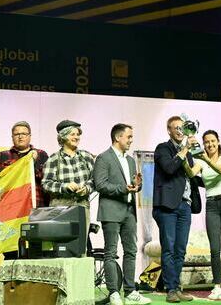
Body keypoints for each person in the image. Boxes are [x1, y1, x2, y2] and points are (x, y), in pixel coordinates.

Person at [94, 123, 151, 305]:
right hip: (111, 211)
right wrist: (123, 188)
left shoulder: (131, 160)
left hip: (129, 212)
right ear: (118, 137)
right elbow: (100, 184)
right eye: (129, 137)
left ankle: (130, 291)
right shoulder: (104, 158)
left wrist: (137, 185)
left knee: (131, 251)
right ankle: (113, 293)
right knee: (110, 253)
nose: (131, 140)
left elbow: (133, 186)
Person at [183, 130, 221, 300]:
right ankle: (216, 286)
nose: (210, 144)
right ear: (203, 144)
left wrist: (206, 159)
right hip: (212, 204)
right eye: (206, 142)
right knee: (214, 248)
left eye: (213, 141)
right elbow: (191, 173)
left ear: (218, 141)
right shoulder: (200, 161)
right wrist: (184, 155)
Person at [153, 116, 202, 303]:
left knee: (180, 249)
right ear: (169, 130)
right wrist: (186, 149)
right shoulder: (163, 148)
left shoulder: (187, 152)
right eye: (177, 128)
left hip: (185, 205)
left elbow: (193, 175)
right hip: (167, 206)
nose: (181, 131)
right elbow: (169, 168)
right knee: (169, 248)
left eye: (182, 128)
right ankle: (170, 289)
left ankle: (177, 286)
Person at [0, 121, 50, 260]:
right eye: (16, 134)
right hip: (11, 210)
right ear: (12, 137)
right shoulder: (3, 156)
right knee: (11, 250)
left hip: (36, 209)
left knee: (37, 249)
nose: (20, 136)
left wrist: (33, 163)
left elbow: (46, 179)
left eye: (24, 133)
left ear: (29, 136)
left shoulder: (41, 154)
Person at [42, 120, 95, 251]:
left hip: (82, 206)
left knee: (80, 247)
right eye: (72, 134)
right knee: (60, 247)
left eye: (78, 134)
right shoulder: (53, 159)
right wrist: (64, 187)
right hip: (60, 207)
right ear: (63, 136)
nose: (76, 137)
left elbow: (94, 180)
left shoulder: (86, 157)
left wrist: (86, 189)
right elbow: (46, 183)